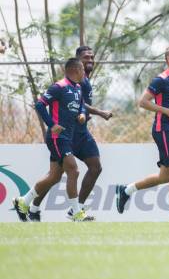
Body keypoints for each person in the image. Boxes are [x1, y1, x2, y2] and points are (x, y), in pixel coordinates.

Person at [27, 46, 113, 222]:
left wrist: (84, 113)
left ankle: (76, 210)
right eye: (85, 58)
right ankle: (33, 207)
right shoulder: (70, 82)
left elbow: (80, 104)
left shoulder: (83, 81)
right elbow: (44, 104)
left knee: (95, 167)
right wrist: (99, 111)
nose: (90, 60)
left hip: (81, 133)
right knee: (56, 175)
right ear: (77, 62)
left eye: (92, 57)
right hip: (67, 133)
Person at [115, 44, 169, 221]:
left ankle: (126, 190)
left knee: (165, 176)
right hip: (162, 129)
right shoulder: (160, 80)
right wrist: (167, 111)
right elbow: (143, 102)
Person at [12, 58, 90, 221]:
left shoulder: (78, 88)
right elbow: (40, 104)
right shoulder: (59, 87)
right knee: (73, 171)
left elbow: (82, 104)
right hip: (57, 137)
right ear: (75, 70)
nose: (84, 72)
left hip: (67, 137)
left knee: (54, 176)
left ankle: (23, 201)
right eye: (82, 69)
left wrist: (82, 114)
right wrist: (51, 124)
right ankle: (76, 213)